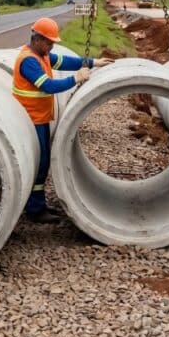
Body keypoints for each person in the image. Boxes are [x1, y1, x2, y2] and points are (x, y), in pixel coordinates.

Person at [12, 17, 113, 223]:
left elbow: (65, 62)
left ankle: (38, 204)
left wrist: (93, 62)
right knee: (39, 164)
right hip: (30, 120)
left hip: (39, 119)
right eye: (49, 42)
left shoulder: (43, 55)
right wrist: (76, 78)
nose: (51, 46)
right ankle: (34, 210)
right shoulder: (28, 60)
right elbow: (47, 86)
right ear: (37, 39)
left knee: (44, 162)